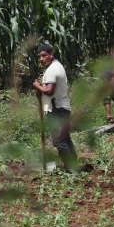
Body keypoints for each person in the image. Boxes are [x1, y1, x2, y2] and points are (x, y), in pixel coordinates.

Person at [32, 43, 78, 171]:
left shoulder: (52, 69)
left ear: (51, 55)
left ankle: (70, 167)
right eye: (39, 57)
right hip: (62, 107)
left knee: (58, 140)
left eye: (44, 56)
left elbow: (49, 91)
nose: (41, 59)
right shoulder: (57, 66)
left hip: (56, 110)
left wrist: (37, 86)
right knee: (65, 138)